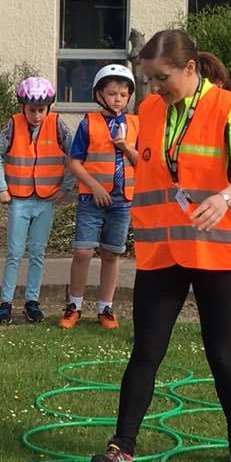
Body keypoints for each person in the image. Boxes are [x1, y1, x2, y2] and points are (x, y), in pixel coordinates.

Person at [89, 29, 231, 462]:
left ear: (191, 69)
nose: (152, 90)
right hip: (164, 251)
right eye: (147, 80)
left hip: (219, 253)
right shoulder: (150, 110)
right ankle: (120, 449)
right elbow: (161, 163)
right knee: (146, 350)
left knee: (221, 354)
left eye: (160, 79)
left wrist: (224, 199)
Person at [59, 64, 139, 330]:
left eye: (123, 94)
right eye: (113, 93)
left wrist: (126, 147)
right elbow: (74, 162)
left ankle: (105, 307)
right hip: (91, 200)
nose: (118, 98)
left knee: (111, 254)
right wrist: (94, 186)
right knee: (83, 251)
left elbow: (144, 163)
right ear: (99, 94)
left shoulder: (136, 124)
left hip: (122, 200)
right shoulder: (88, 123)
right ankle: (74, 305)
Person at [0, 77, 74, 324]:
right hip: (19, 200)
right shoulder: (12, 126)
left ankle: (32, 301)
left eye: (41, 110)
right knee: (14, 253)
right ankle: (5, 303)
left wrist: (66, 187)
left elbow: (74, 155)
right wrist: (1, 188)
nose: (36, 115)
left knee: (38, 253)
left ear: (49, 107)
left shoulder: (58, 126)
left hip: (45, 200)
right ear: (22, 107)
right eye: (31, 110)